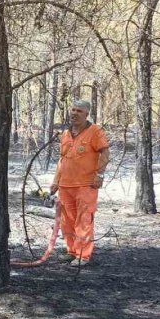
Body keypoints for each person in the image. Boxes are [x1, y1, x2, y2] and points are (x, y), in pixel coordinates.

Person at [49, 99, 110, 266]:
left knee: (83, 220)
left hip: (86, 185)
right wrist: (56, 181)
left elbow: (105, 153)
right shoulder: (66, 134)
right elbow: (62, 159)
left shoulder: (95, 131)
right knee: (67, 220)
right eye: (73, 110)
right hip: (65, 186)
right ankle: (72, 251)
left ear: (86, 114)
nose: (74, 113)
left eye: (79, 111)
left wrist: (100, 175)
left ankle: (83, 254)